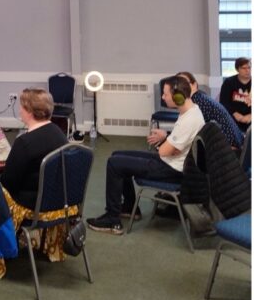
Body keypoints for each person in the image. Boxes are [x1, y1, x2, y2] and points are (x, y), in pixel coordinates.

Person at [86, 75, 205, 235]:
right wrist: (167, 140)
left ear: (178, 96)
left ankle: (112, 220)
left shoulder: (189, 120)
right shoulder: (191, 111)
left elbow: (163, 151)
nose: (163, 97)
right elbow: (173, 148)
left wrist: (164, 142)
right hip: (171, 161)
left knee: (114, 163)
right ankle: (129, 207)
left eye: (165, 94)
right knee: (117, 155)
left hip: (171, 169)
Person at [0, 88, 68, 276]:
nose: (20, 110)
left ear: (29, 112)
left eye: (22, 107)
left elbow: (9, 183)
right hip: (59, 200)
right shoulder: (58, 133)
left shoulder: (25, 142)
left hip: (34, 204)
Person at [176, 71, 243, 149]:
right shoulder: (200, 96)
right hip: (234, 141)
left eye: (185, 83)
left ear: (194, 85)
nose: (182, 87)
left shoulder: (197, 101)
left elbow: (187, 133)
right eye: (178, 84)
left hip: (228, 147)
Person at [219, 57, 251, 133]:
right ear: (237, 69)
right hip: (233, 116)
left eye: (249, 67)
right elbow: (224, 102)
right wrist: (235, 114)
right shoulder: (229, 82)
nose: (248, 70)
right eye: (244, 68)